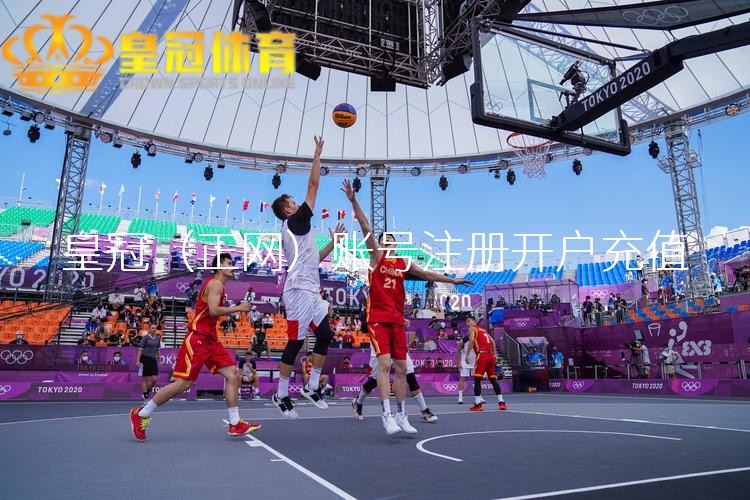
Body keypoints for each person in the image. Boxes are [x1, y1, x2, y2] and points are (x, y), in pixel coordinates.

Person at [342, 179, 471, 434]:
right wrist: (354, 201)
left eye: (392, 239)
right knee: (384, 366)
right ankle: (386, 415)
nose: (389, 241)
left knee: (402, 368)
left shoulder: (403, 263)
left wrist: (453, 280)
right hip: (378, 318)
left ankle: (402, 415)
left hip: (397, 320)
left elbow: (428, 274)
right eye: (385, 239)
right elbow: (365, 225)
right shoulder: (376, 256)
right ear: (379, 244)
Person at [129, 253, 261, 440]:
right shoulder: (215, 284)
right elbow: (214, 311)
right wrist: (238, 308)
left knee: (233, 374)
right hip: (198, 339)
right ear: (219, 266)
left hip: (211, 340)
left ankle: (235, 423)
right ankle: (141, 413)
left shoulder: (220, 287)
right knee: (184, 384)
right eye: (229, 263)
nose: (233, 266)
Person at [270, 135, 343, 419]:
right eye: (293, 202)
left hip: (311, 289)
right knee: (295, 342)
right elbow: (313, 186)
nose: (298, 204)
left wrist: (333, 243)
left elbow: (315, 258)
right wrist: (317, 155)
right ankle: (281, 393)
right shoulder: (295, 221)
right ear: (288, 209)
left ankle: (312, 387)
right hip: (299, 290)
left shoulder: (299, 229)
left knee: (325, 335)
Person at [352, 344, 438, 424]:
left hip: (397, 347)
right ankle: (358, 402)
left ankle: (424, 410)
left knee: (410, 375)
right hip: (380, 347)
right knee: (375, 380)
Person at [465, 317, 507, 412]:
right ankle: (501, 403)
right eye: (466, 322)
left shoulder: (472, 328)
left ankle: (478, 404)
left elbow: (472, 341)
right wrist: (495, 355)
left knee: (477, 380)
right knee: (493, 379)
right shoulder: (483, 330)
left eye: (469, 321)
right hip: (490, 355)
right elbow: (492, 341)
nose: (467, 323)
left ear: (474, 322)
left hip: (482, 355)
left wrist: (467, 354)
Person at [136, 324, 161, 402]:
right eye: (152, 328)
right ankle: (145, 396)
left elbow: (158, 350)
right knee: (145, 379)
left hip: (153, 360)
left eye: (155, 328)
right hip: (145, 359)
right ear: (149, 329)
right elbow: (140, 350)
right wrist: (138, 361)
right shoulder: (145, 338)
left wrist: (159, 360)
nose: (154, 329)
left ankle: (146, 392)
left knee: (154, 379)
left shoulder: (157, 338)